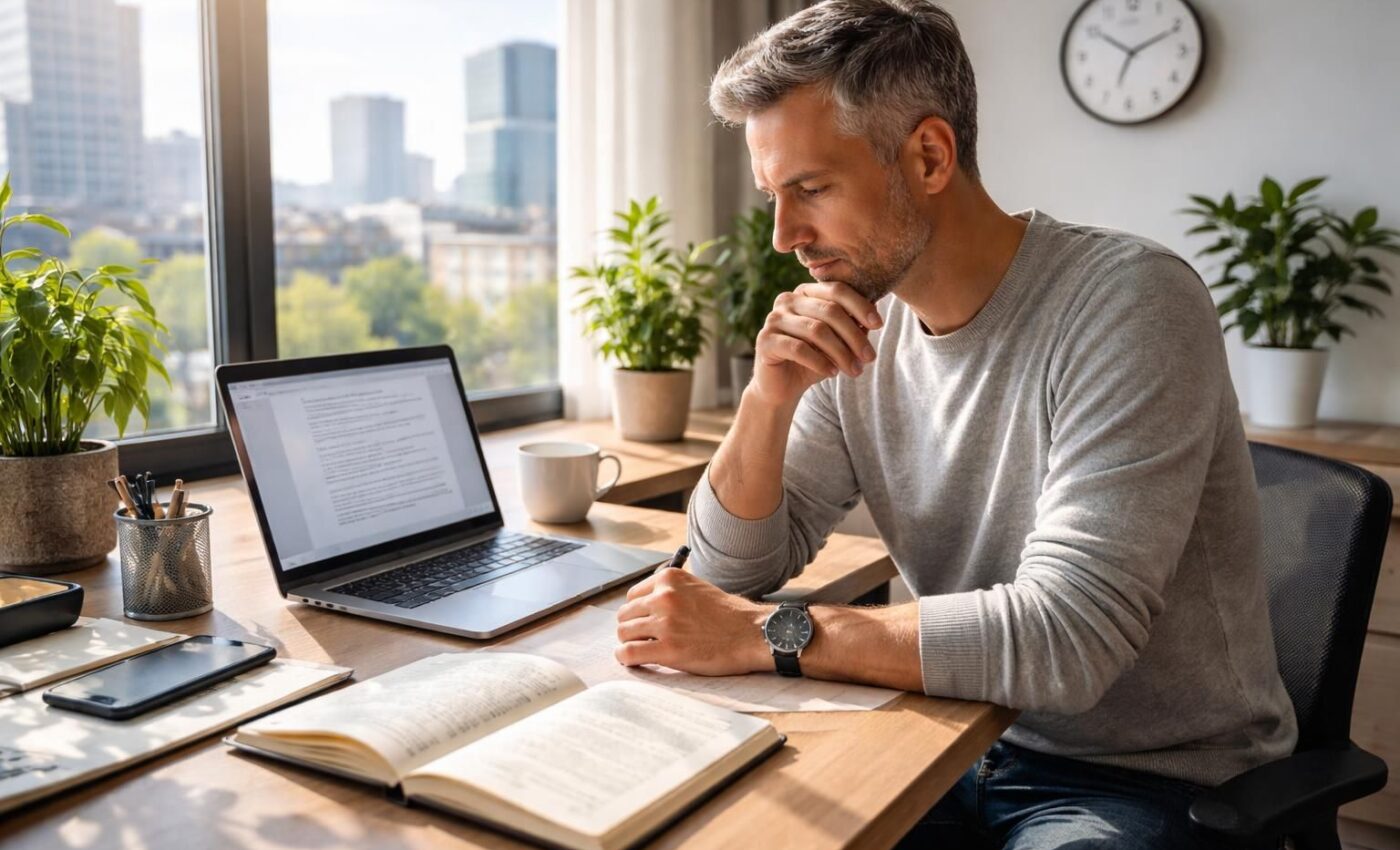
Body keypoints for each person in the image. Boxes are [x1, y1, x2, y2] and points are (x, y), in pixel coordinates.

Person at [611, 1, 1297, 847]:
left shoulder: (1130, 303)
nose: (786, 235)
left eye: (812, 189)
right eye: (773, 197)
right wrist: (768, 398)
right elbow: (731, 573)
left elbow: (1066, 640)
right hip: (949, 737)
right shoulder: (861, 322)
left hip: (1149, 779)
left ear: (930, 156)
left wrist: (765, 638)